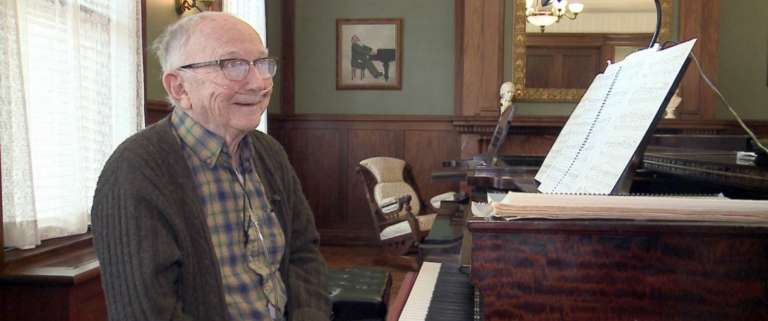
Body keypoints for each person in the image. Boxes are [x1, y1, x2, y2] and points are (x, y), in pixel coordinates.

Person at [91, 12, 330, 321]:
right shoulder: (134, 172)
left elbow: (303, 253)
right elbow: (146, 314)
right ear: (179, 88)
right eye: (232, 65)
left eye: (262, 63)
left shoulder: (269, 153)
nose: (259, 83)